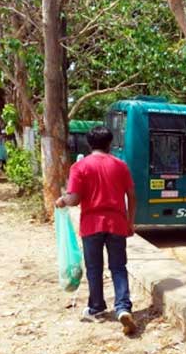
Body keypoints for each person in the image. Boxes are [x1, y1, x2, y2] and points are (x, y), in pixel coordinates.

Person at [55, 126, 137, 336]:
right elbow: (132, 195)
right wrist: (130, 222)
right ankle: (123, 307)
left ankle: (97, 306)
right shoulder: (120, 165)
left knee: (94, 268)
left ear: (89, 144)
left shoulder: (80, 166)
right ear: (109, 143)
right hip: (117, 223)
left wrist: (62, 200)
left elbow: (74, 199)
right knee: (118, 267)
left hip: (91, 224)